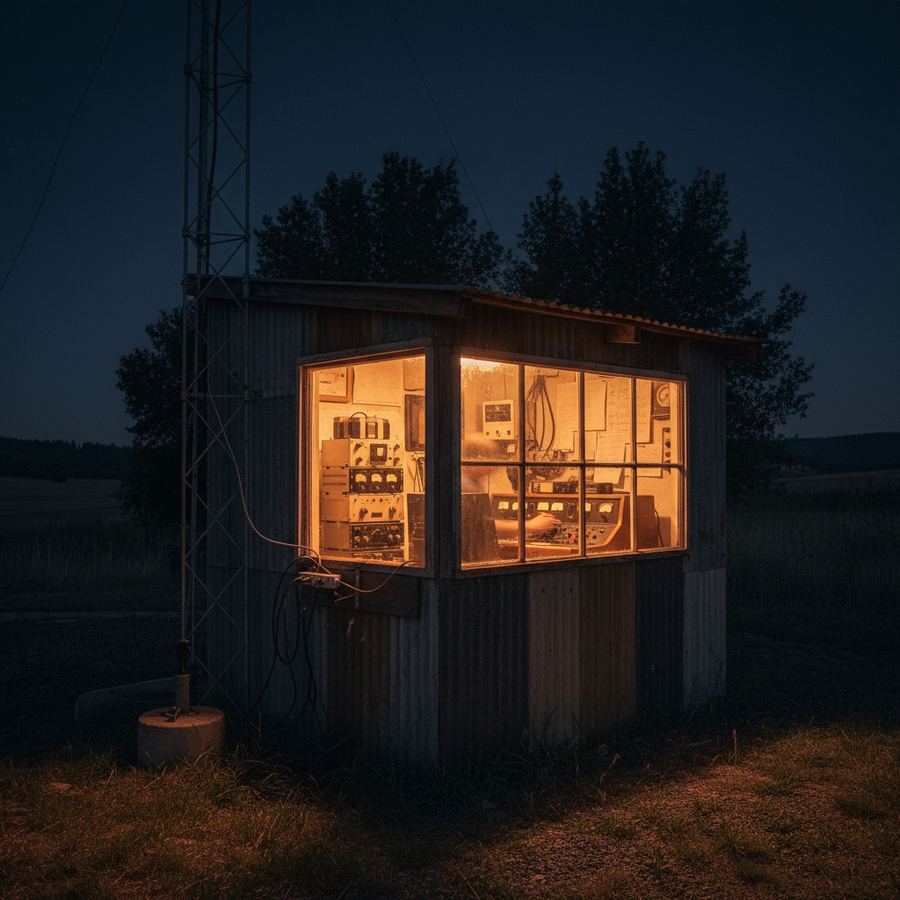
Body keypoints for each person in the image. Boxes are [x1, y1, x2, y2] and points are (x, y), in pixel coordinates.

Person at [461, 436, 560, 550]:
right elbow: (480, 526)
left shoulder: (471, 481)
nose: (494, 465)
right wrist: (530, 526)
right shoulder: (465, 484)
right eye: (491, 457)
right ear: (478, 457)